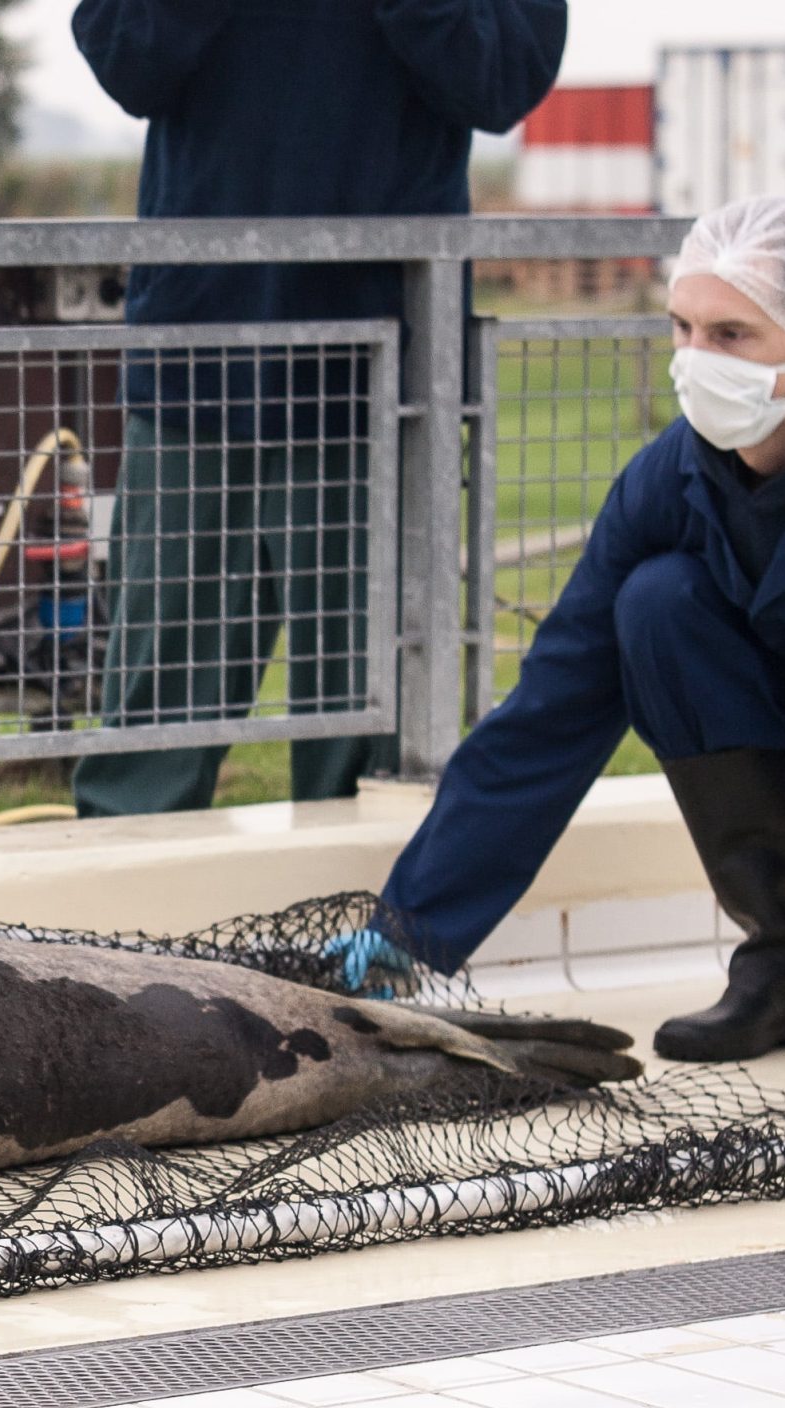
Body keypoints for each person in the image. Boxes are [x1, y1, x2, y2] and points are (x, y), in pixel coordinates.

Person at [337, 196, 785, 1063]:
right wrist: (407, 933)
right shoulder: (669, 483)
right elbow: (552, 709)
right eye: (682, 327)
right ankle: (782, 969)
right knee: (655, 603)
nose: (693, 361)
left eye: (731, 335)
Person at [68, 0, 566, 816]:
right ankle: (102, 943)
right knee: (149, 749)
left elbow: (503, 81)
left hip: (379, 389)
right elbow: (125, 60)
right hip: (201, 365)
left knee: (374, 757)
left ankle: (368, 938)